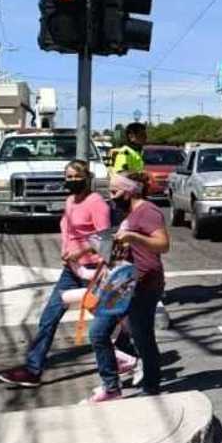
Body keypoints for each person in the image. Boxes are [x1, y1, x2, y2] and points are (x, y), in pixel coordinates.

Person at [0, 160, 112, 388]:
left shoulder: (97, 203)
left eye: (75, 177)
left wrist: (80, 252)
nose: (70, 181)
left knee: (110, 321)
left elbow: (106, 241)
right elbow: (69, 232)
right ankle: (33, 369)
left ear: (87, 177)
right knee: (48, 319)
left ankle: (128, 358)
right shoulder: (70, 201)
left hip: (92, 271)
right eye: (67, 177)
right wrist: (67, 254)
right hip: (71, 272)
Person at [85, 172, 170, 401]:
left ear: (130, 191)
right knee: (98, 332)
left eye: (115, 192)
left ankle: (152, 388)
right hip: (123, 282)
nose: (111, 198)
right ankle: (111, 387)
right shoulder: (129, 212)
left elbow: (162, 244)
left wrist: (132, 237)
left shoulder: (148, 211)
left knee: (143, 338)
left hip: (144, 285)